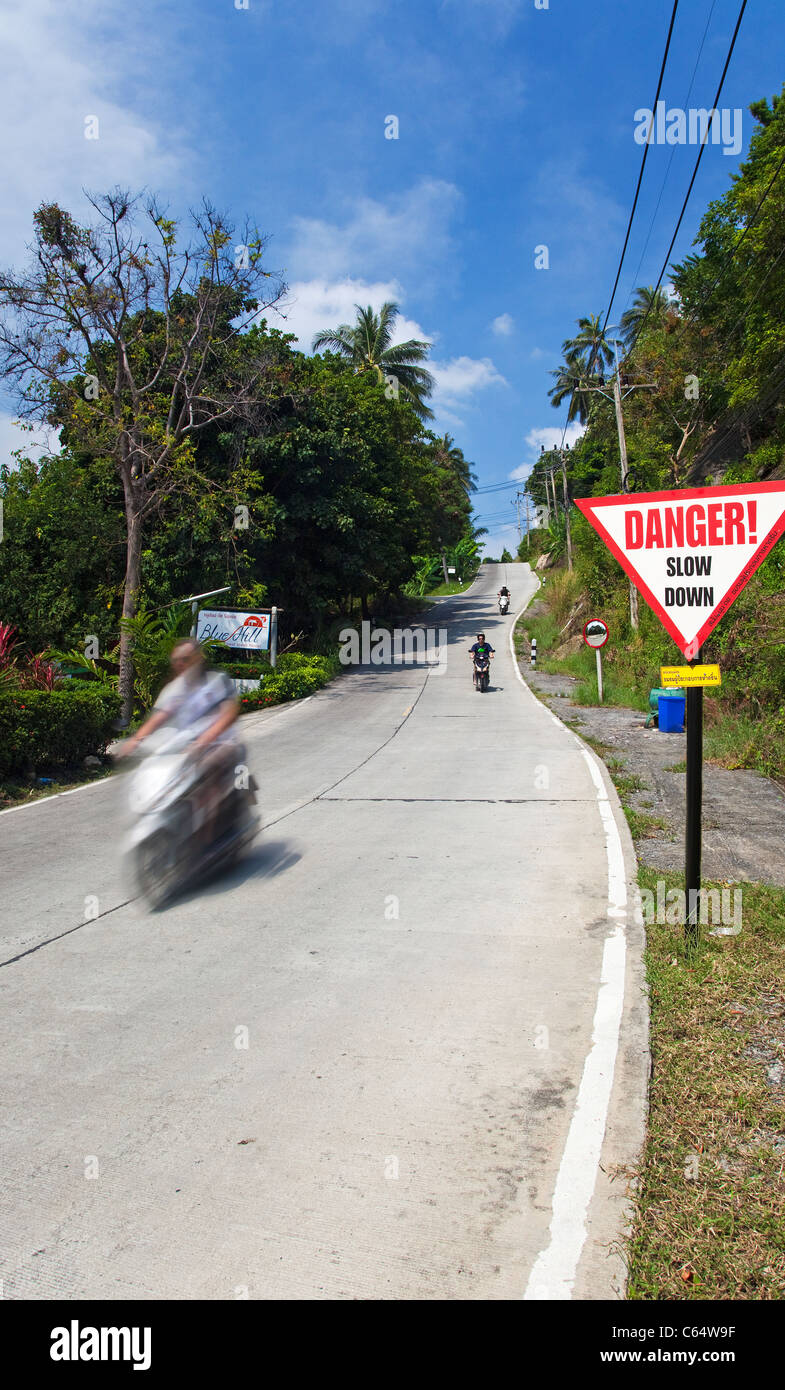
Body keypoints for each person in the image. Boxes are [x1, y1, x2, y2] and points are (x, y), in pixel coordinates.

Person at [117, 640, 247, 843]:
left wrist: (205, 739)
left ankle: (205, 838)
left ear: (198, 659)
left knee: (204, 771)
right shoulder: (174, 689)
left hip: (221, 744)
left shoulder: (216, 681)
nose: (180, 664)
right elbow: (159, 718)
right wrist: (135, 740)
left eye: (185, 659)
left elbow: (229, 715)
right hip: (187, 748)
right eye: (176, 661)